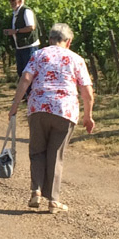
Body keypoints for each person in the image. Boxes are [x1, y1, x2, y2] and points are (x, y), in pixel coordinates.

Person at [9, 23, 95, 214]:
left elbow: (25, 79)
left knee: (37, 151)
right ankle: (54, 200)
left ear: (49, 39)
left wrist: (15, 104)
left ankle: (36, 192)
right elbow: (87, 91)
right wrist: (88, 116)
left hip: (38, 107)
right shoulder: (76, 59)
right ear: (69, 41)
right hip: (64, 110)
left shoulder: (39, 55)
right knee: (55, 154)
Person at [4, 0, 40, 77]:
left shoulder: (26, 11)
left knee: (28, 73)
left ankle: (30, 90)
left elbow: (31, 27)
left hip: (29, 46)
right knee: (21, 72)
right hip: (20, 46)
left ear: (20, 1)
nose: (11, 3)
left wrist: (16, 31)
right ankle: (25, 90)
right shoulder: (16, 12)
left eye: (13, 0)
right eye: (10, 0)